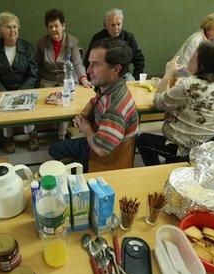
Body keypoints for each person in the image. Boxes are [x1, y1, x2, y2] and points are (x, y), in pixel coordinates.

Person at [136, 41, 214, 166]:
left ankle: (159, 170)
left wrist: (168, 73)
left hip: (193, 152)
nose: (190, 58)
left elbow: (158, 103)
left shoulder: (191, 84)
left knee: (143, 139)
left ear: (202, 63)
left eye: (194, 55)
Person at [49, 38, 139, 172]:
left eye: (95, 65)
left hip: (103, 155)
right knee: (58, 148)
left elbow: (101, 149)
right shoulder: (109, 87)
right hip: (100, 138)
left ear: (115, 69)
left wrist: (86, 128)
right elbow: (94, 100)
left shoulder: (115, 108)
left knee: (54, 149)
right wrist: (84, 115)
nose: (88, 70)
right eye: (89, 63)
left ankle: (83, 170)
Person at [36, 8, 92, 141]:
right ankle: (50, 131)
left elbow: (77, 62)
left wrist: (83, 78)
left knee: (64, 101)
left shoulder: (72, 42)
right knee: (45, 102)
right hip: (47, 80)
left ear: (63, 26)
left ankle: (61, 136)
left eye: (56, 26)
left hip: (67, 79)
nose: (54, 29)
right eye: (50, 27)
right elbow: (36, 65)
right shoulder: (41, 43)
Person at [0, 11, 39, 153]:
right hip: (3, 90)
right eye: (8, 27)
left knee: (27, 107)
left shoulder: (27, 47)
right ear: (0, 30)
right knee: (4, 108)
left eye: (15, 27)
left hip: (24, 88)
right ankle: (8, 138)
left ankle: (32, 135)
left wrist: (21, 92)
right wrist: (4, 94)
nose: (12, 30)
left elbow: (33, 75)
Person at [84, 8, 145, 81]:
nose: (116, 28)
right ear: (106, 26)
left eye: (118, 24)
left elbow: (139, 60)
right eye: (113, 25)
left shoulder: (129, 37)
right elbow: (88, 61)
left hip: (123, 75)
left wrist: (136, 79)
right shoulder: (98, 38)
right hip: (102, 74)